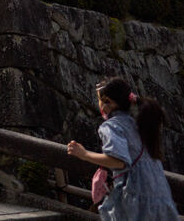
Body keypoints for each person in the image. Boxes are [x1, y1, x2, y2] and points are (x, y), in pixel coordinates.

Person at [67, 76, 177, 220]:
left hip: (135, 198)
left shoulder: (111, 126)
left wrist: (84, 154)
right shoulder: (139, 124)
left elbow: (119, 161)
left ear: (106, 102)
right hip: (160, 195)